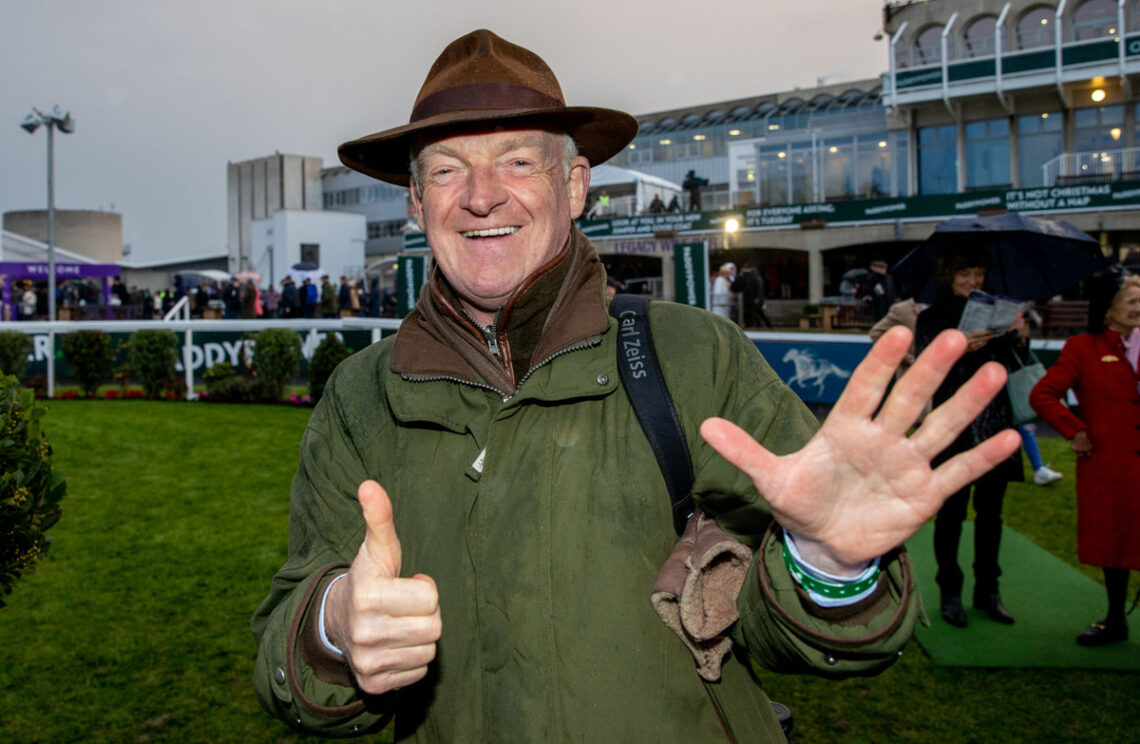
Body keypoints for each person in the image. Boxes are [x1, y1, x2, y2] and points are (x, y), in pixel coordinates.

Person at [252, 29, 1020, 742]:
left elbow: (800, 632)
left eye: (519, 162)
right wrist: (334, 628)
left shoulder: (694, 358)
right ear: (417, 203)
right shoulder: (361, 397)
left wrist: (827, 564)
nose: (481, 196)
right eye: (448, 170)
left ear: (577, 185)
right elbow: (285, 652)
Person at [914, 247, 1026, 629]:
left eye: (978, 274)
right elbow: (927, 373)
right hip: (953, 428)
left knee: (991, 514)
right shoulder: (931, 318)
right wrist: (960, 350)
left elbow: (1012, 367)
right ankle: (950, 591)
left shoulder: (999, 314)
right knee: (951, 514)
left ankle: (988, 590)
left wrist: (1018, 338)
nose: (973, 282)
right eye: (965, 274)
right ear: (949, 275)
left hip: (994, 425)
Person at [1030, 272, 1140, 646]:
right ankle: (1115, 620)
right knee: (1117, 544)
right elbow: (1043, 394)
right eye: (1132, 301)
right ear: (1107, 309)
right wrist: (1074, 430)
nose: (1139, 307)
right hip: (1111, 466)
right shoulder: (1082, 347)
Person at [731, 263, 772, 328]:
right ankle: (766, 326)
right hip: (751, 300)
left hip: (745, 301)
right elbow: (759, 290)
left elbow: (734, 288)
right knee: (756, 314)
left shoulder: (742, 277)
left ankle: (762, 325)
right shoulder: (754, 277)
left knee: (751, 315)